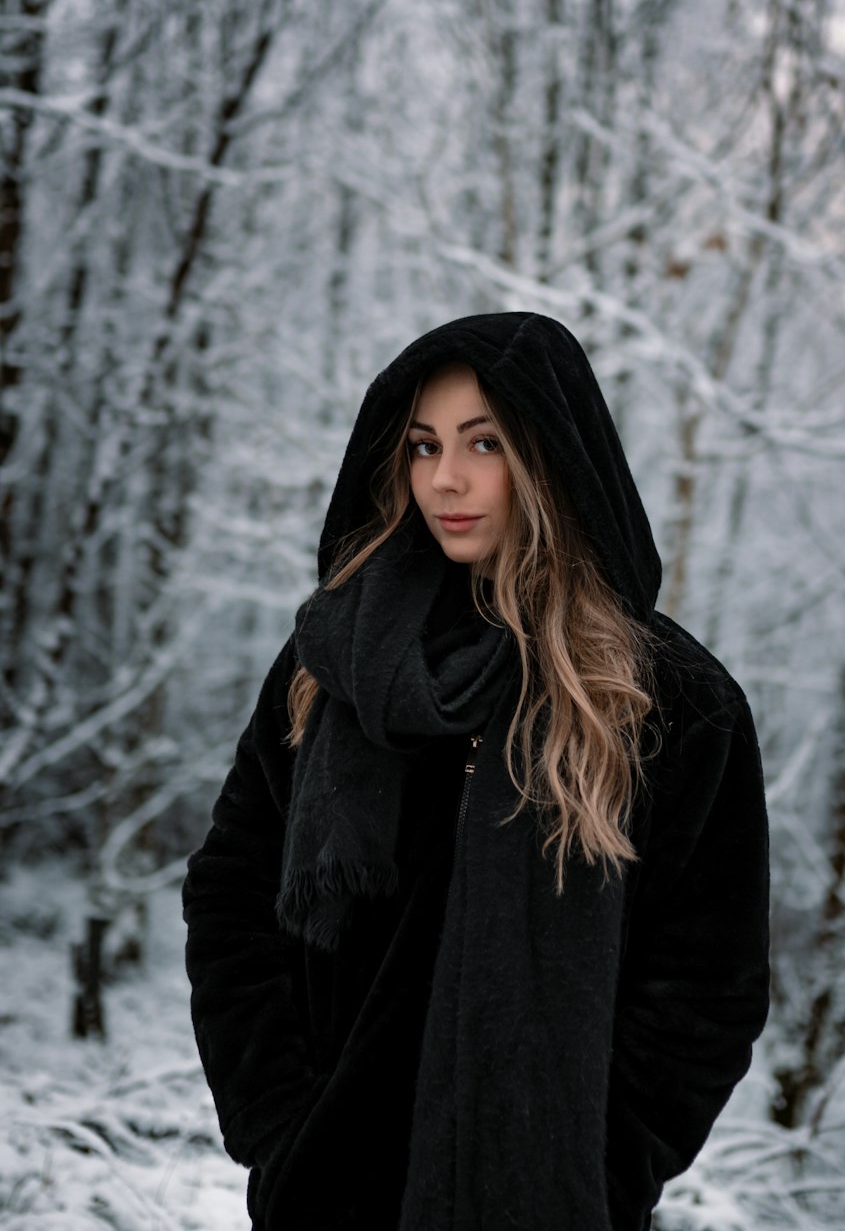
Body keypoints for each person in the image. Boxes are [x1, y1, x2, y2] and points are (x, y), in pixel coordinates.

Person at [182, 310, 770, 1231]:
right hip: (328, 1195)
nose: (445, 479)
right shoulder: (336, 662)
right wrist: (279, 1130)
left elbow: (707, 986)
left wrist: (605, 1171)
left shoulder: (669, 701)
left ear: (555, 456)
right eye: (422, 446)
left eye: (485, 442)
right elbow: (231, 893)